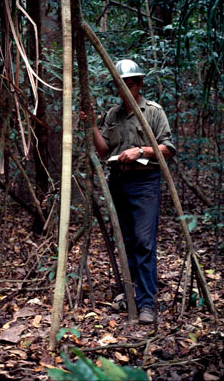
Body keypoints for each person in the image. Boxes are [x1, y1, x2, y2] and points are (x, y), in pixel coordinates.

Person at [81, 59, 176, 324]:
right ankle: (128, 294)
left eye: (130, 85)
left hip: (145, 183)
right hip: (119, 183)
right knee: (126, 242)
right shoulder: (112, 114)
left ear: (140, 85)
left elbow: (168, 148)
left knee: (145, 242)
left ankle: (146, 303)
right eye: (121, 87)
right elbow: (103, 150)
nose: (125, 91)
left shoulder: (153, 111)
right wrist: (91, 126)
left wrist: (142, 151)